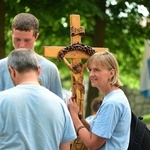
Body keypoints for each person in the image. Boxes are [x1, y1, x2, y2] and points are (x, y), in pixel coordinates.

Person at [0, 49, 77, 150]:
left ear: (12, 71)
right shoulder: (60, 104)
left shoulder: (2, 100)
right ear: (39, 70)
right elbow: (65, 147)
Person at [68, 51, 131, 150]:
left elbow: (93, 144)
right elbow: (96, 131)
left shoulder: (112, 103)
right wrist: (79, 118)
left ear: (111, 73)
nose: (91, 74)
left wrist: (74, 118)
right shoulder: (112, 97)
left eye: (96, 70)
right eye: (90, 70)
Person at [0, 13, 63, 99]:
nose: (21, 45)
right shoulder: (1, 67)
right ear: (11, 34)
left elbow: (57, 104)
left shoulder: (50, 69)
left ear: (36, 36)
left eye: (27, 40)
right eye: (17, 39)